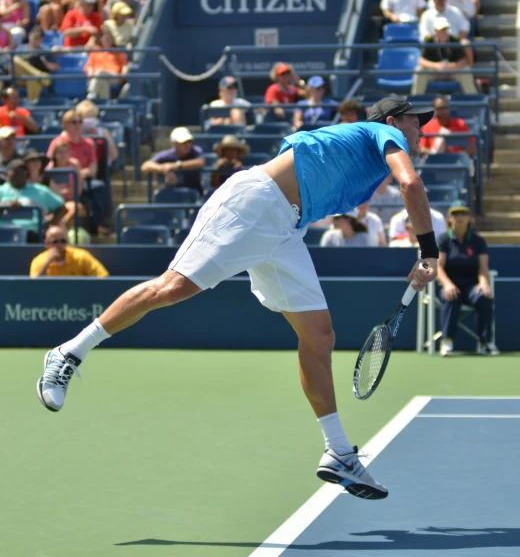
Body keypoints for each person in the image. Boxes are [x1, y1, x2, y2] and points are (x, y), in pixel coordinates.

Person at [36, 96, 439, 506]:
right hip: (255, 203)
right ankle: (69, 352)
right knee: (173, 287)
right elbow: (410, 184)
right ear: (392, 120)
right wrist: (428, 252)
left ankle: (338, 451)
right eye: (415, 122)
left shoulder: (368, 160)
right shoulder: (385, 135)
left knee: (319, 336)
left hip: (286, 228)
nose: (421, 129)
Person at [437, 203, 499, 356]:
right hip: (450, 286)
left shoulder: (478, 241)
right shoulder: (443, 239)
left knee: (484, 296)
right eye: (455, 214)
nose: (459, 218)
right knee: (451, 297)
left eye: (463, 214)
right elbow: (437, 267)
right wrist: (447, 285)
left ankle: (485, 343)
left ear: (469, 218)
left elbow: (483, 268)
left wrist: (483, 283)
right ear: (449, 218)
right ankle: (447, 341)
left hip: (471, 287)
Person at [0, 158, 65, 239]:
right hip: (4, 232)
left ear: (26, 174)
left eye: (22, 171)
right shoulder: (1, 190)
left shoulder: (40, 190)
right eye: (15, 171)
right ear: (7, 174)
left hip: (33, 233)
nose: (19, 174)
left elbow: (61, 208)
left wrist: (48, 224)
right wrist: (6, 205)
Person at [413, 17, 477, 94]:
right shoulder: (429, 40)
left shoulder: (455, 40)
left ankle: (474, 100)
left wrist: (449, 66)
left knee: (466, 70)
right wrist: (436, 66)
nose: (443, 32)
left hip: (452, 71)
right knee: (419, 71)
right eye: (440, 30)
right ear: (435, 31)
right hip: (435, 72)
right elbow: (421, 61)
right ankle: (416, 101)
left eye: (445, 29)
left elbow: (463, 61)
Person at [141, 126, 206, 193]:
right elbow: (145, 166)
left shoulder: (196, 151)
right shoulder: (167, 154)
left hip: (195, 191)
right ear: (174, 144)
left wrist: (174, 166)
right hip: (171, 192)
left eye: (189, 141)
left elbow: (200, 162)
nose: (187, 145)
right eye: (183, 142)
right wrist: (165, 169)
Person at [30, 224, 109, 277]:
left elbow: (103, 276)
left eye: (63, 241)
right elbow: (34, 285)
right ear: (47, 243)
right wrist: (47, 261)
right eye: (55, 242)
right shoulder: (38, 261)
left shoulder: (80, 256)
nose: (59, 245)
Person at [12, 27, 59, 102]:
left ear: (42, 39)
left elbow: (56, 67)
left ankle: (31, 106)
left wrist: (45, 63)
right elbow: (14, 65)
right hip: (24, 77)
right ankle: (38, 74)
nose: (36, 40)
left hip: (37, 78)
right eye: (34, 37)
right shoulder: (21, 48)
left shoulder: (45, 50)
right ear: (29, 36)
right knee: (15, 60)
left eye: (38, 38)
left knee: (33, 79)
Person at [45, 140, 84, 227]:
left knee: (77, 208)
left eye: (66, 152)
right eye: (60, 152)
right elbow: (47, 192)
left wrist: (60, 192)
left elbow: (77, 191)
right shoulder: (48, 169)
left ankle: (56, 228)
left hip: (68, 201)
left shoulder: (74, 166)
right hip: (53, 202)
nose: (63, 155)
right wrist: (65, 191)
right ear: (54, 154)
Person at [84, 29, 128, 99]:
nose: (107, 41)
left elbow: (124, 65)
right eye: (105, 39)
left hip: (114, 76)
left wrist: (122, 75)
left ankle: (91, 93)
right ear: (101, 40)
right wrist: (91, 74)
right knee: (103, 81)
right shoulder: (96, 51)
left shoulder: (117, 51)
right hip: (98, 78)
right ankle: (105, 104)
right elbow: (89, 65)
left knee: (100, 73)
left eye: (109, 39)